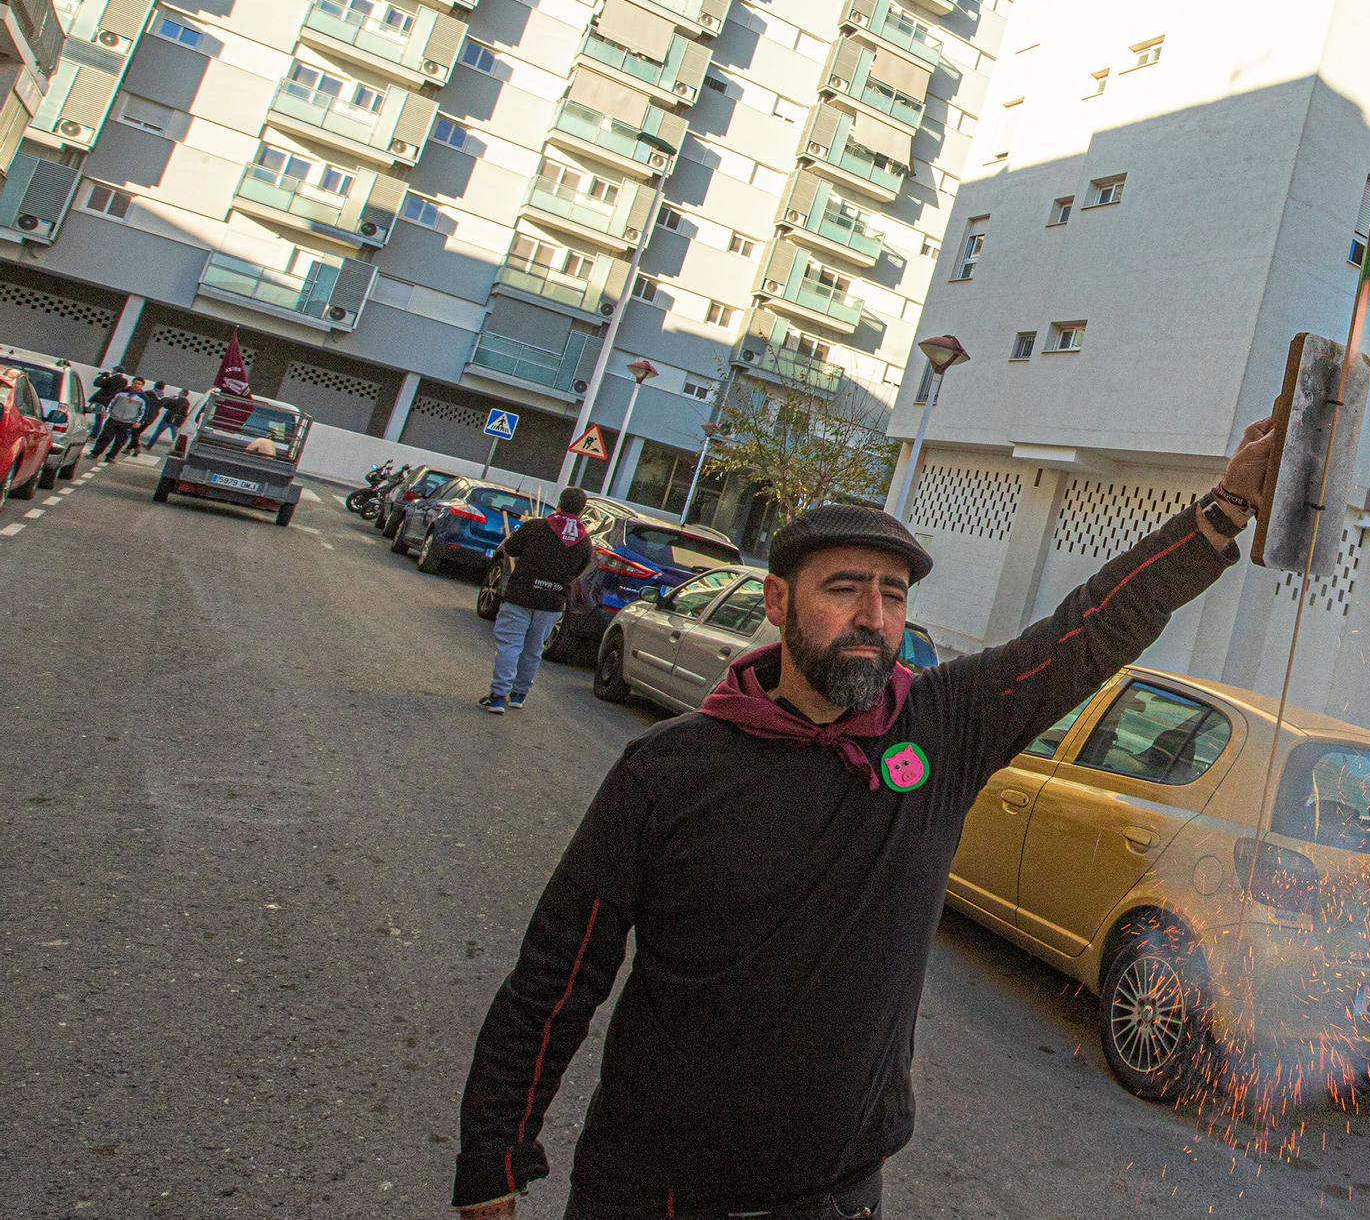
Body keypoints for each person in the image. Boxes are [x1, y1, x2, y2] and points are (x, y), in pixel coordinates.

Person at [449, 416, 1276, 1220]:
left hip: (837, 1194)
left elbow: (1087, 631)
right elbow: (555, 979)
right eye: (844, 588)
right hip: (652, 1193)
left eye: (892, 594)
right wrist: (492, 1158)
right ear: (777, 600)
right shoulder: (669, 769)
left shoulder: (942, 729)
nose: (874, 616)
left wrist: (1221, 512)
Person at [479, 486, 595, 714]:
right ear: (581, 511)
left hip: (521, 594)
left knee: (510, 645)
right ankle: (519, 695)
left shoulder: (537, 526)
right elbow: (580, 570)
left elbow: (511, 548)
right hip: (552, 602)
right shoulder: (584, 541)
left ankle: (498, 696)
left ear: (560, 504)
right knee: (533, 650)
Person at [88, 381, 148, 460]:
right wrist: (106, 411)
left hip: (128, 422)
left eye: (139, 384)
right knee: (105, 437)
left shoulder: (143, 398)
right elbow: (111, 402)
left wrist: (139, 422)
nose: (136, 385)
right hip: (114, 419)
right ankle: (95, 453)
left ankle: (111, 456)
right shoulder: (122, 392)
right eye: (135, 383)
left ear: (142, 386)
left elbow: (144, 411)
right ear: (132, 383)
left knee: (120, 442)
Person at [86, 367, 129, 439]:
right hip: (111, 401)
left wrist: (102, 376)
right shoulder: (124, 381)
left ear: (116, 371)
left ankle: (94, 435)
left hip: (101, 400)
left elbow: (97, 383)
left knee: (98, 418)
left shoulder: (111, 379)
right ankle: (95, 434)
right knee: (100, 418)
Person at [126, 379, 163, 457]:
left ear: (155, 385)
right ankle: (128, 449)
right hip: (152, 417)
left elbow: (140, 400)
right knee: (137, 433)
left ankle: (136, 447)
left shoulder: (149, 393)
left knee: (134, 433)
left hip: (144, 416)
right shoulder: (162, 396)